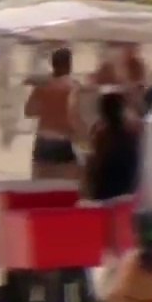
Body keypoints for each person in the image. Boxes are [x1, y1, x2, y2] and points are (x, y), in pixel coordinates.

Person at [25, 47, 83, 180]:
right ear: (69, 65)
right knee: (68, 186)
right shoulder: (73, 86)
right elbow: (74, 116)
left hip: (42, 141)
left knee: (40, 188)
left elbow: (29, 111)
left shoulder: (43, 85)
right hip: (62, 142)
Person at [84, 90, 140, 202]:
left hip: (103, 199)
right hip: (127, 199)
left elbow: (92, 173)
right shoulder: (132, 136)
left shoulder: (101, 137)